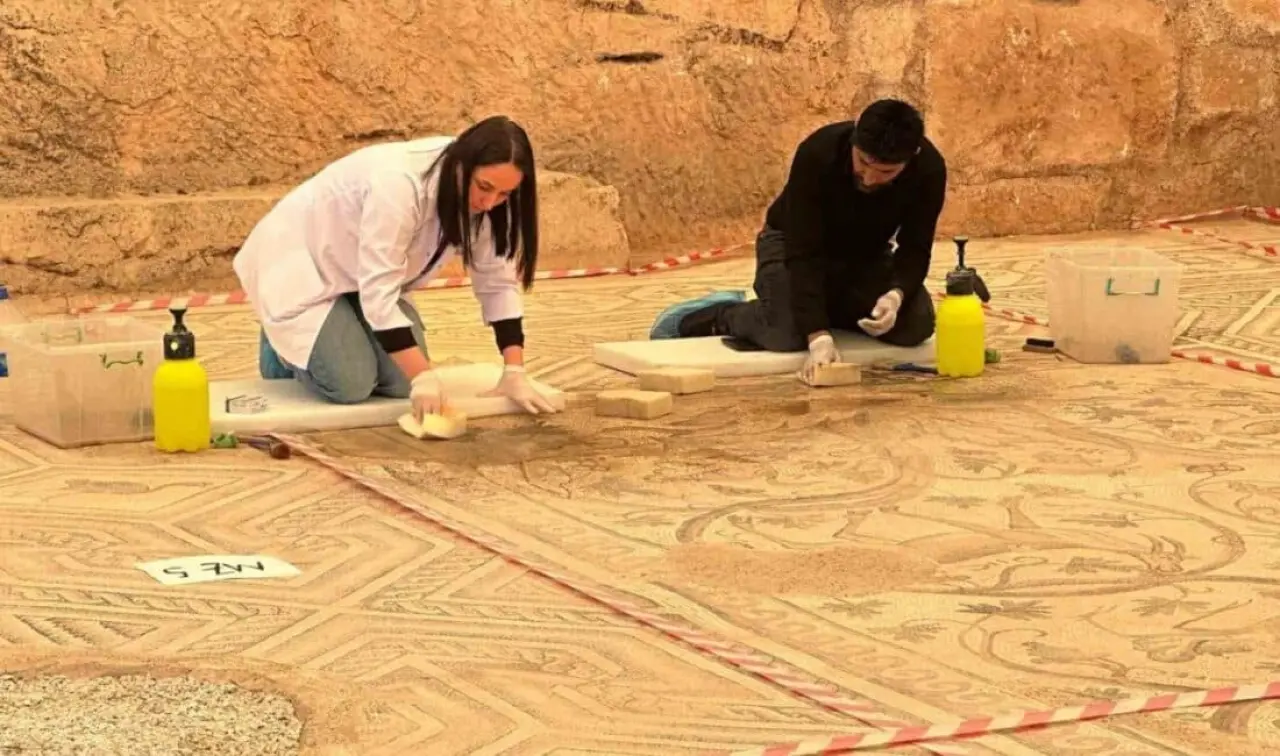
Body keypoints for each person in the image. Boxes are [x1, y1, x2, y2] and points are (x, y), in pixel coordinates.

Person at [233, 115, 559, 419]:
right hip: (303, 266)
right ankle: (279, 349)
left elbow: (497, 282)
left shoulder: (489, 199)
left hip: (356, 276)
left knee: (402, 385)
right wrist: (423, 376)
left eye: (505, 194)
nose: (489, 203)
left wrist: (514, 370)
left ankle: (339, 329)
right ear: (461, 165)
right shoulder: (398, 184)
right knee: (351, 384)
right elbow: (379, 292)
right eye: (485, 187)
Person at [649, 99, 947, 382]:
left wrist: (895, 295)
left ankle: (820, 307)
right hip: (790, 242)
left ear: (912, 159)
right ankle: (721, 313)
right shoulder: (818, 152)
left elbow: (916, 247)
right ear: (854, 141)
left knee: (915, 324)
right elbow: (804, 251)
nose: (868, 179)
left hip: (865, 256)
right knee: (786, 333)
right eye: (862, 162)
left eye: (886, 172)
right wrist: (817, 336)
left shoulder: (930, 170)